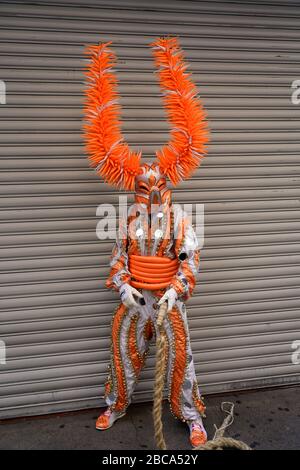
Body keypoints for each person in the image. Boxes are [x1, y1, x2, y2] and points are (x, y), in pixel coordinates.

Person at [83, 36, 210, 448]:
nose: (152, 197)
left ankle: (191, 417)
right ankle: (115, 404)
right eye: (144, 189)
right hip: (135, 298)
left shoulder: (181, 221)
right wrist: (123, 286)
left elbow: (190, 260)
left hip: (169, 298)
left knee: (181, 361)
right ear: (135, 189)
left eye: (158, 190)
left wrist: (177, 290)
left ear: (169, 188)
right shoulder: (127, 221)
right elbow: (118, 257)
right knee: (122, 352)